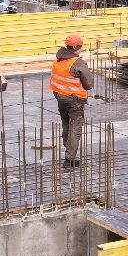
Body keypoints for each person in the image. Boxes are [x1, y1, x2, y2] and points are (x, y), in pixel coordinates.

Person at [49, 34, 93, 169]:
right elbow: (89, 84)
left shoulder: (58, 60)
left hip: (61, 98)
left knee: (66, 125)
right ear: (77, 47)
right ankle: (69, 159)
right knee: (75, 129)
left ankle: (68, 150)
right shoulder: (77, 62)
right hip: (75, 100)